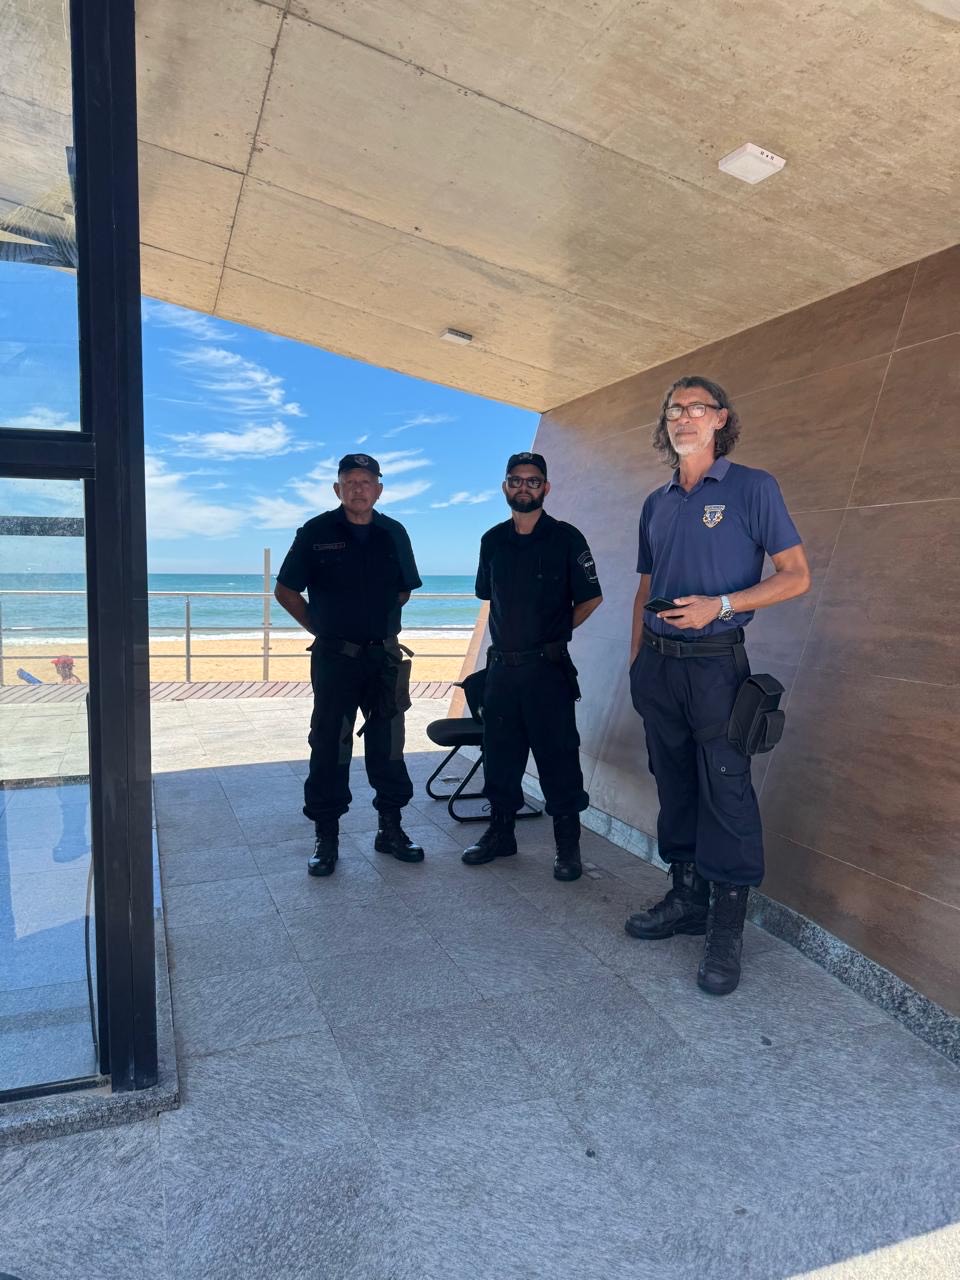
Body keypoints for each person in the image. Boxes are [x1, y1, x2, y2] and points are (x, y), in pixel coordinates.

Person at [624, 377, 811, 994]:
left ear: (720, 419)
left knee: (726, 792)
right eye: (674, 409)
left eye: (696, 408)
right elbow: (644, 591)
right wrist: (636, 663)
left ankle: (726, 931)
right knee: (674, 784)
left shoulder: (752, 487)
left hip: (715, 667)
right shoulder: (655, 503)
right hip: (659, 668)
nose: (684, 418)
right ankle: (687, 901)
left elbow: (795, 576)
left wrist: (721, 605)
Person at [274, 453, 426, 877]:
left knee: (389, 745)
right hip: (335, 660)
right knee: (329, 745)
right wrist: (321, 628)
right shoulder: (315, 532)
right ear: (337, 489)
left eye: (366, 481)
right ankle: (327, 838)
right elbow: (286, 590)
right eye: (350, 481)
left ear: (379, 489)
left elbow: (404, 590)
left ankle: (390, 829)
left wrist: (375, 624)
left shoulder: (394, 532)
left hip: (384, 659)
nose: (359, 488)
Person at [461, 451, 603, 881]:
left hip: (547, 671)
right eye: (516, 480)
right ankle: (501, 834)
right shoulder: (492, 540)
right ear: (505, 486)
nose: (524, 487)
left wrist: (556, 632)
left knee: (558, 758)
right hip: (502, 672)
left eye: (533, 480)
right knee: (500, 756)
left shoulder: (566, 538)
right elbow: (489, 596)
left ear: (546, 487)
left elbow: (591, 598)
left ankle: (567, 847)